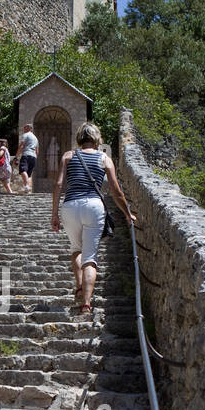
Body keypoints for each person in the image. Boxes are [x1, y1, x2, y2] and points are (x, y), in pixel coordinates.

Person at [51, 122, 136, 316]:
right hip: (94, 206)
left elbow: (57, 184)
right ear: (97, 139)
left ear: (80, 138)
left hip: (71, 206)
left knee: (76, 249)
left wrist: (54, 214)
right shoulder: (104, 158)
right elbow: (116, 190)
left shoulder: (68, 155)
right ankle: (86, 305)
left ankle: (80, 286)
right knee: (90, 258)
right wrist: (127, 213)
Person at [15, 123, 39, 193]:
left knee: (22, 170)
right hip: (34, 156)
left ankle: (26, 186)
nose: (24, 129)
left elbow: (21, 146)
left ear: (29, 128)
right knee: (29, 174)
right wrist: (35, 157)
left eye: (25, 128)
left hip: (26, 154)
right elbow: (37, 151)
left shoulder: (26, 135)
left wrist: (16, 156)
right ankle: (28, 189)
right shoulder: (36, 138)